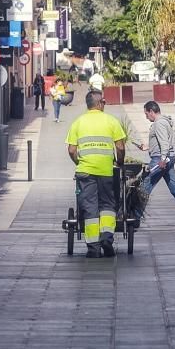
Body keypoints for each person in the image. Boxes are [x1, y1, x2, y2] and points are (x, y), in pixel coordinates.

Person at [65, 91, 127, 257]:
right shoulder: (111, 121)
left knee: (89, 208)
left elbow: (71, 150)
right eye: (104, 101)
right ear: (100, 103)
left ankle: (93, 248)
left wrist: (79, 162)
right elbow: (120, 147)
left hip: (85, 173)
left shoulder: (78, 122)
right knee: (107, 206)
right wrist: (119, 162)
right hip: (106, 172)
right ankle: (107, 238)